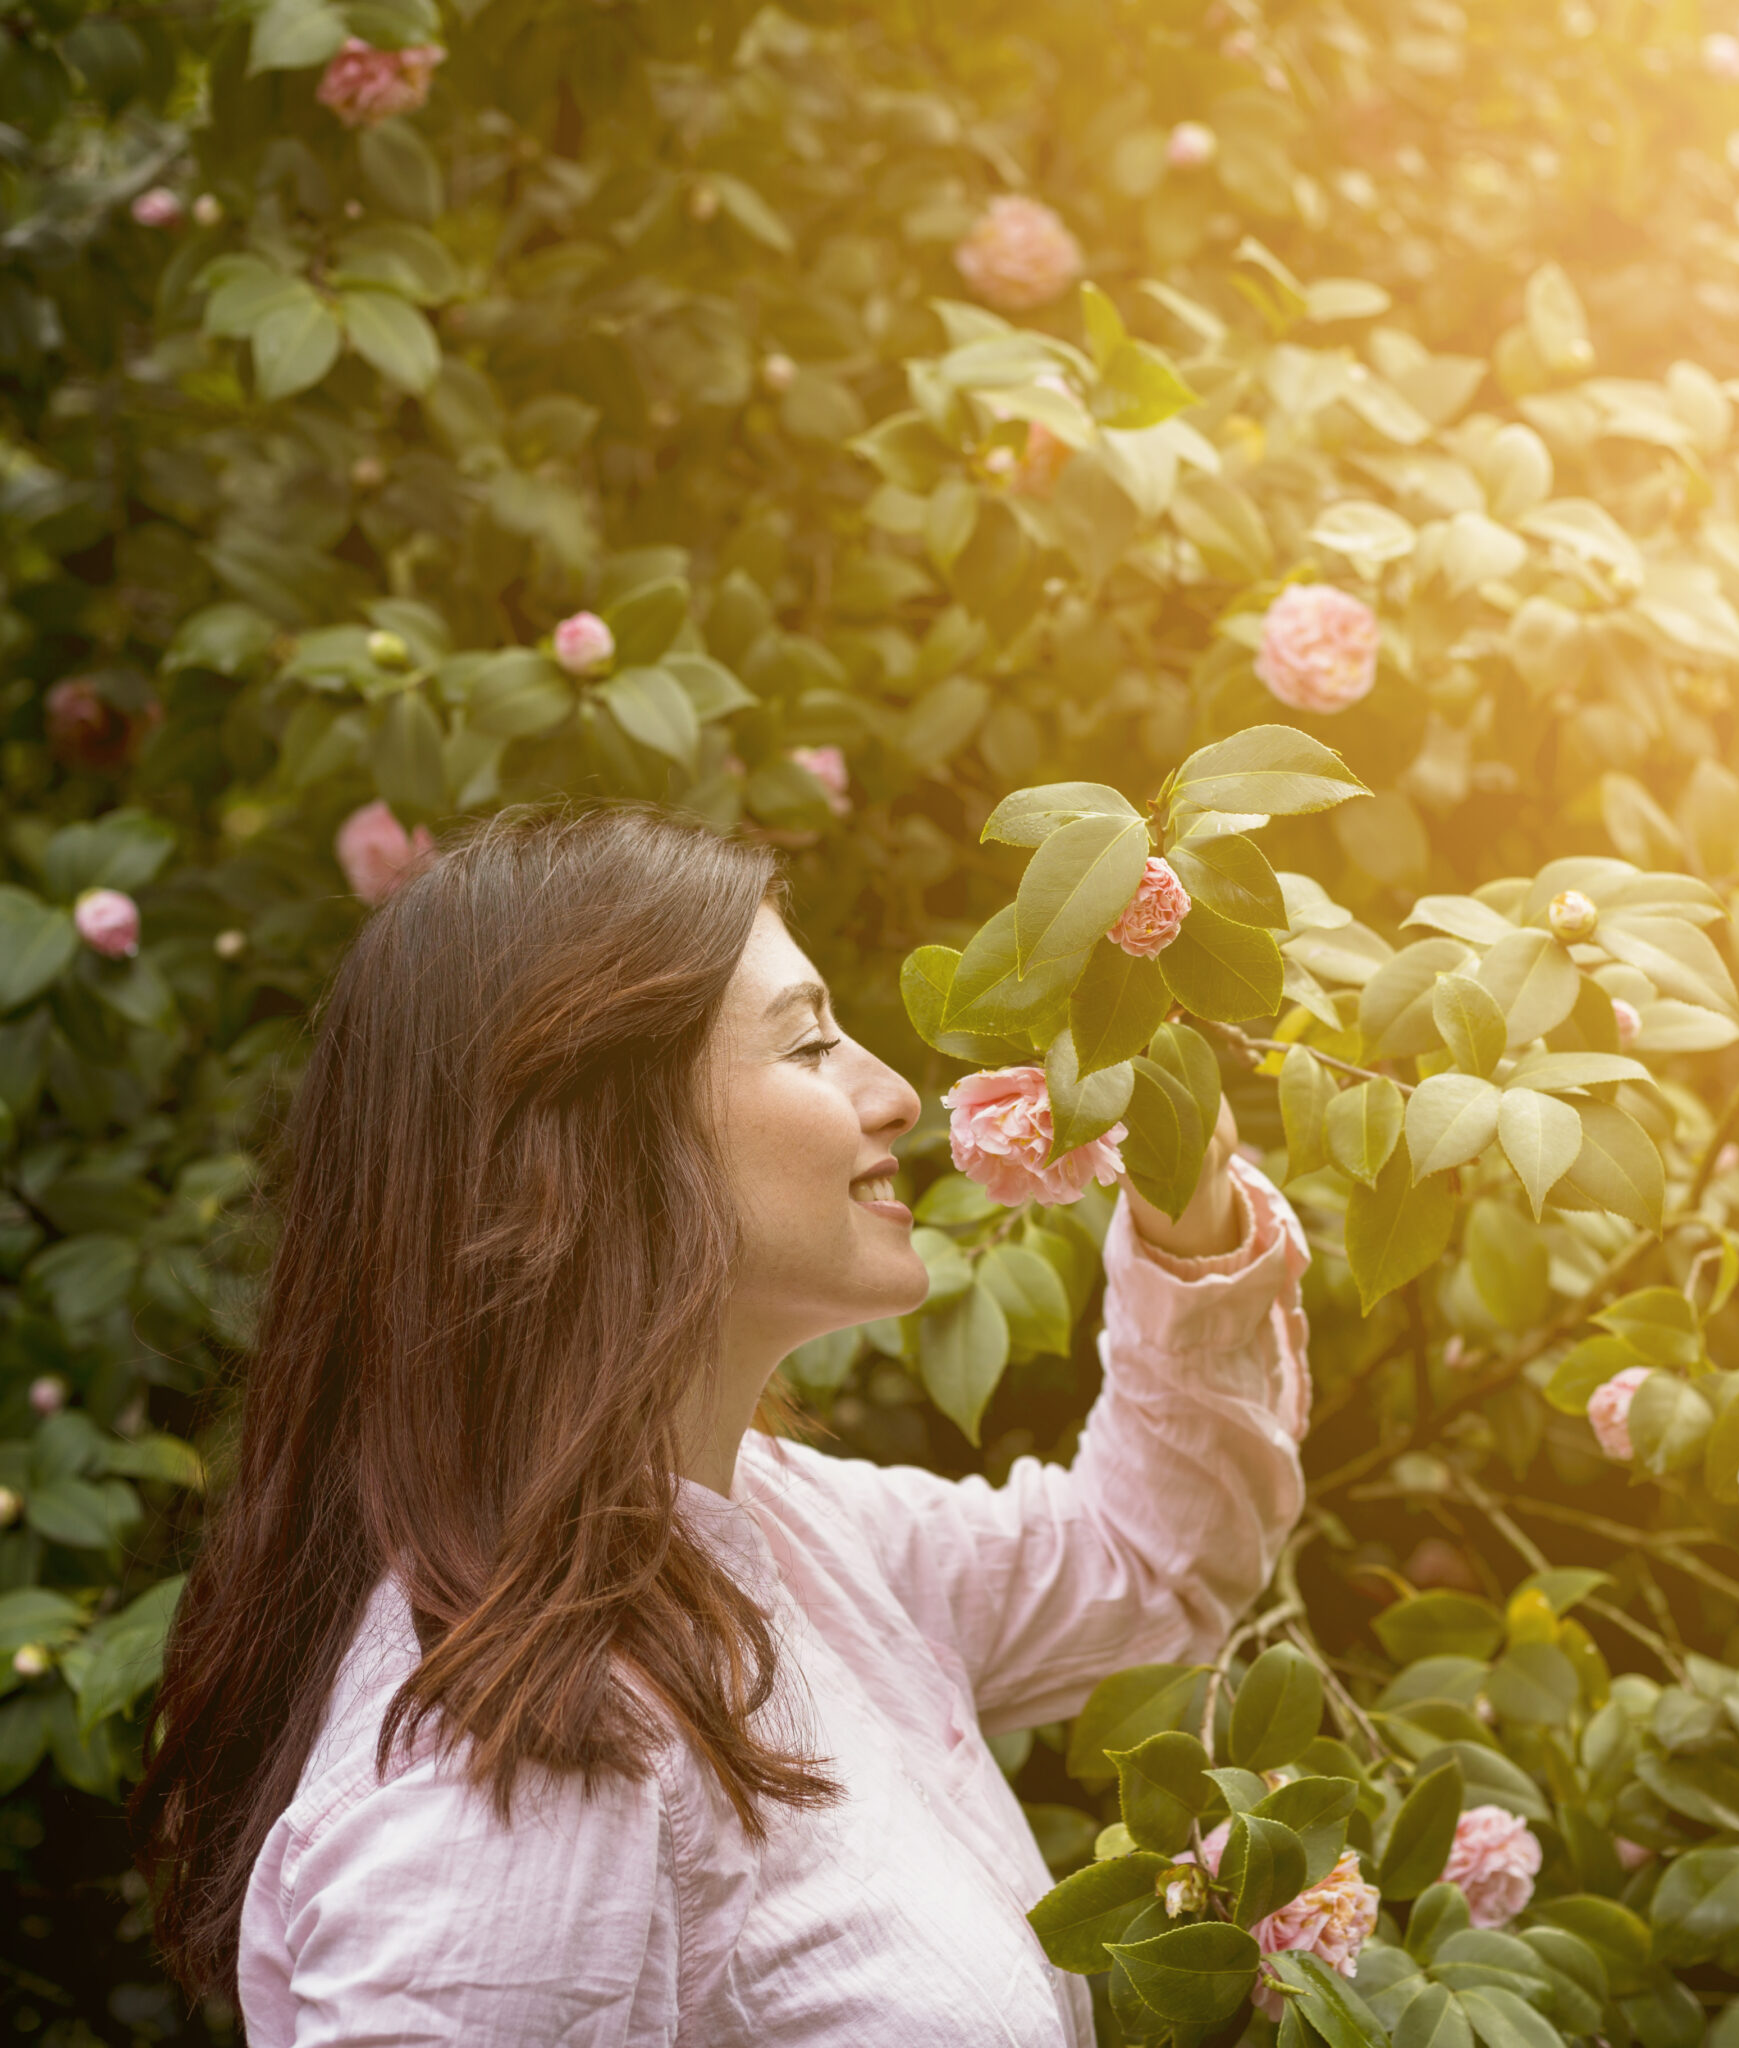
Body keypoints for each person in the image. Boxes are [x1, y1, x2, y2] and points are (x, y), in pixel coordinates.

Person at [133, 805, 1312, 2044]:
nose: (898, 1092)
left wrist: (1191, 1203)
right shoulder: (499, 1788)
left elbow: (1143, 1567)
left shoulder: (779, 1524)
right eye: (809, 1045)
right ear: (589, 1143)